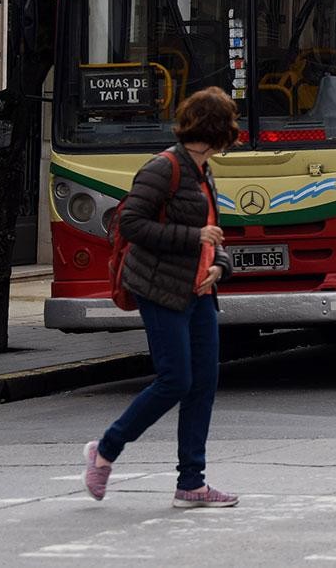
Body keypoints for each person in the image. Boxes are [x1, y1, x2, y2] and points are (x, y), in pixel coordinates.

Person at [83, 87, 238, 509]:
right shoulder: (163, 167)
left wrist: (219, 266)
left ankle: (192, 483)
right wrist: (193, 238)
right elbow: (129, 223)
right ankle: (105, 450)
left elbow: (214, 232)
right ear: (217, 128)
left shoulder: (203, 171)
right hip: (159, 290)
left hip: (199, 291)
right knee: (176, 380)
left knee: (203, 384)